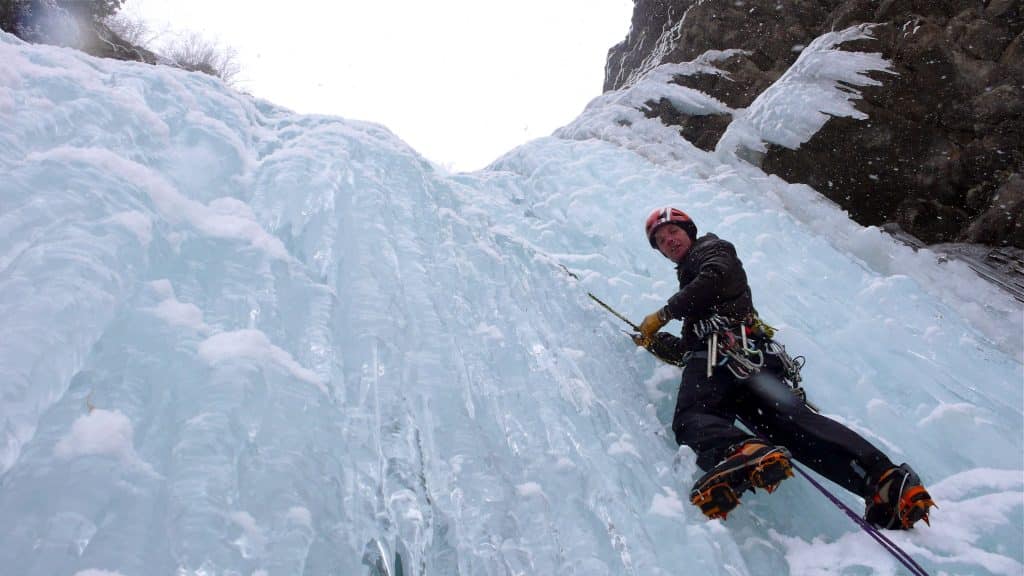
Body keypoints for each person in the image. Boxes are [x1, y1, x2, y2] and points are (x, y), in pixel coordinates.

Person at [634, 206, 934, 529]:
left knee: (693, 418)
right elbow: (693, 344)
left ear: (689, 232)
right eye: (662, 241)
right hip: (747, 361)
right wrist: (657, 342)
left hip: (723, 359)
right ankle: (886, 483)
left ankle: (738, 450)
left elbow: (716, 278)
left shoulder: (711, 251)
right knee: (795, 427)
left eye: (673, 233)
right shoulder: (696, 285)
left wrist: (664, 314)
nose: (669, 241)